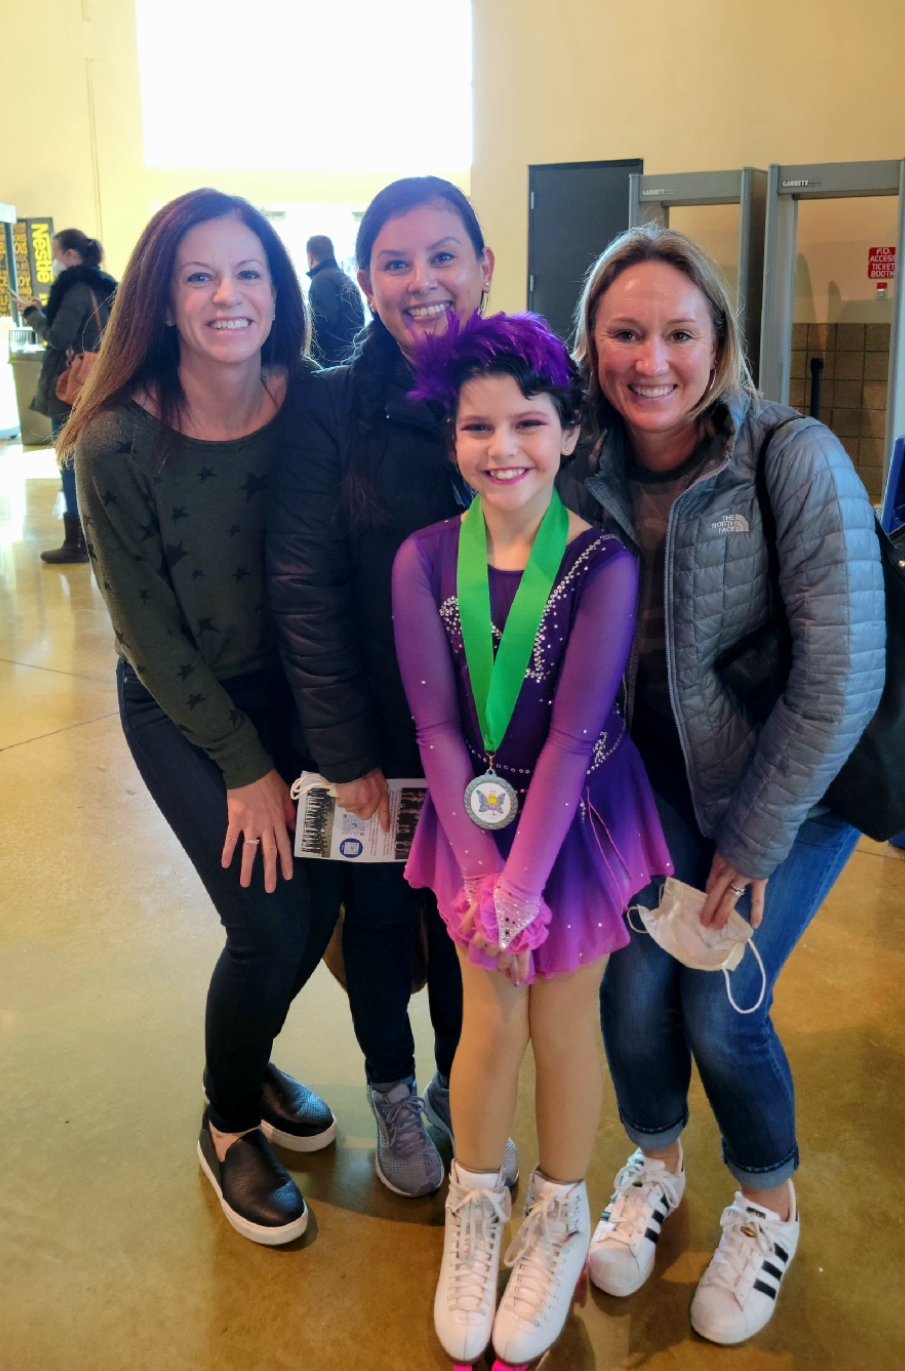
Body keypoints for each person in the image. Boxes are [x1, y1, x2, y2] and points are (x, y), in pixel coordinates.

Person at [572, 223, 886, 1344]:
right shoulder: (574, 460)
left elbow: (841, 672)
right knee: (628, 990)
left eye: (675, 332)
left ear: (717, 343)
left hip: (783, 793)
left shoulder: (786, 456)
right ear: (589, 342)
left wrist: (750, 843)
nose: (648, 359)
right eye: (623, 332)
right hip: (646, 794)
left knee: (714, 997)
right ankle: (652, 1166)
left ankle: (764, 1199)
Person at [391, 312, 673, 1367]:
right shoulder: (421, 561)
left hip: (580, 818)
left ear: (564, 433)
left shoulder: (599, 564)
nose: (500, 447)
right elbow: (433, 727)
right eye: (476, 427)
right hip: (474, 825)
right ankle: (476, 1205)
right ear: (451, 438)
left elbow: (571, 731)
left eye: (525, 422)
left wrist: (523, 890)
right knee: (485, 1022)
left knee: (562, 1020)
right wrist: (479, 882)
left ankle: (554, 1214)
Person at [66, 188, 344, 1247]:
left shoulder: (309, 401)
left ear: (277, 290)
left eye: (247, 274)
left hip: (301, 694)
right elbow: (144, 630)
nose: (228, 296)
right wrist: (242, 765)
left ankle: (248, 1053)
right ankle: (227, 1122)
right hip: (186, 705)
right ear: (164, 298)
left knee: (314, 910)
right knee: (268, 917)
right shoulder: (118, 443)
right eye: (199, 275)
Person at [267, 176, 517, 1199]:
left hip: (493, 742)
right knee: (374, 924)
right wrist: (340, 748)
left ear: (483, 264)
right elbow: (304, 588)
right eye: (397, 262)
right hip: (367, 737)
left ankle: (466, 1091)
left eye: (442, 255)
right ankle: (390, 1092)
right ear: (367, 281)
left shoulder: (516, 394)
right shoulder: (330, 408)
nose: (422, 281)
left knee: (470, 929)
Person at [19, 229, 117, 563]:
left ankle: (76, 542)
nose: (55, 262)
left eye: (57, 254)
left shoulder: (74, 290)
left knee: (69, 459)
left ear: (72, 256)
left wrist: (32, 315)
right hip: (103, 381)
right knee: (99, 456)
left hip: (72, 386)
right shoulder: (106, 285)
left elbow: (59, 338)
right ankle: (106, 534)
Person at [305, 234, 364, 367]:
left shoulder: (320, 281)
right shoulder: (346, 280)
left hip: (330, 365)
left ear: (310, 256)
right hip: (352, 360)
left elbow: (320, 324)